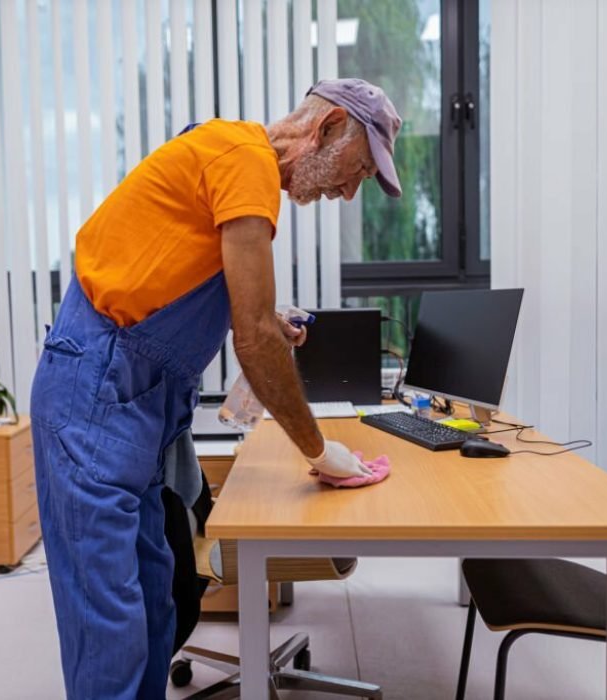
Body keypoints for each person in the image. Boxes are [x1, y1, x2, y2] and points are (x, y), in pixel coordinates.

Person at [30, 78, 403, 699]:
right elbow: (253, 339)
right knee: (109, 617)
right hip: (94, 391)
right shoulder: (245, 159)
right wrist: (319, 451)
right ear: (329, 126)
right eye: (357, 169)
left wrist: (260, 316)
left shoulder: (238, 164)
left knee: (156, 596)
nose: (347, 190)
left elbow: (199, 285)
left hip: (136, 402)